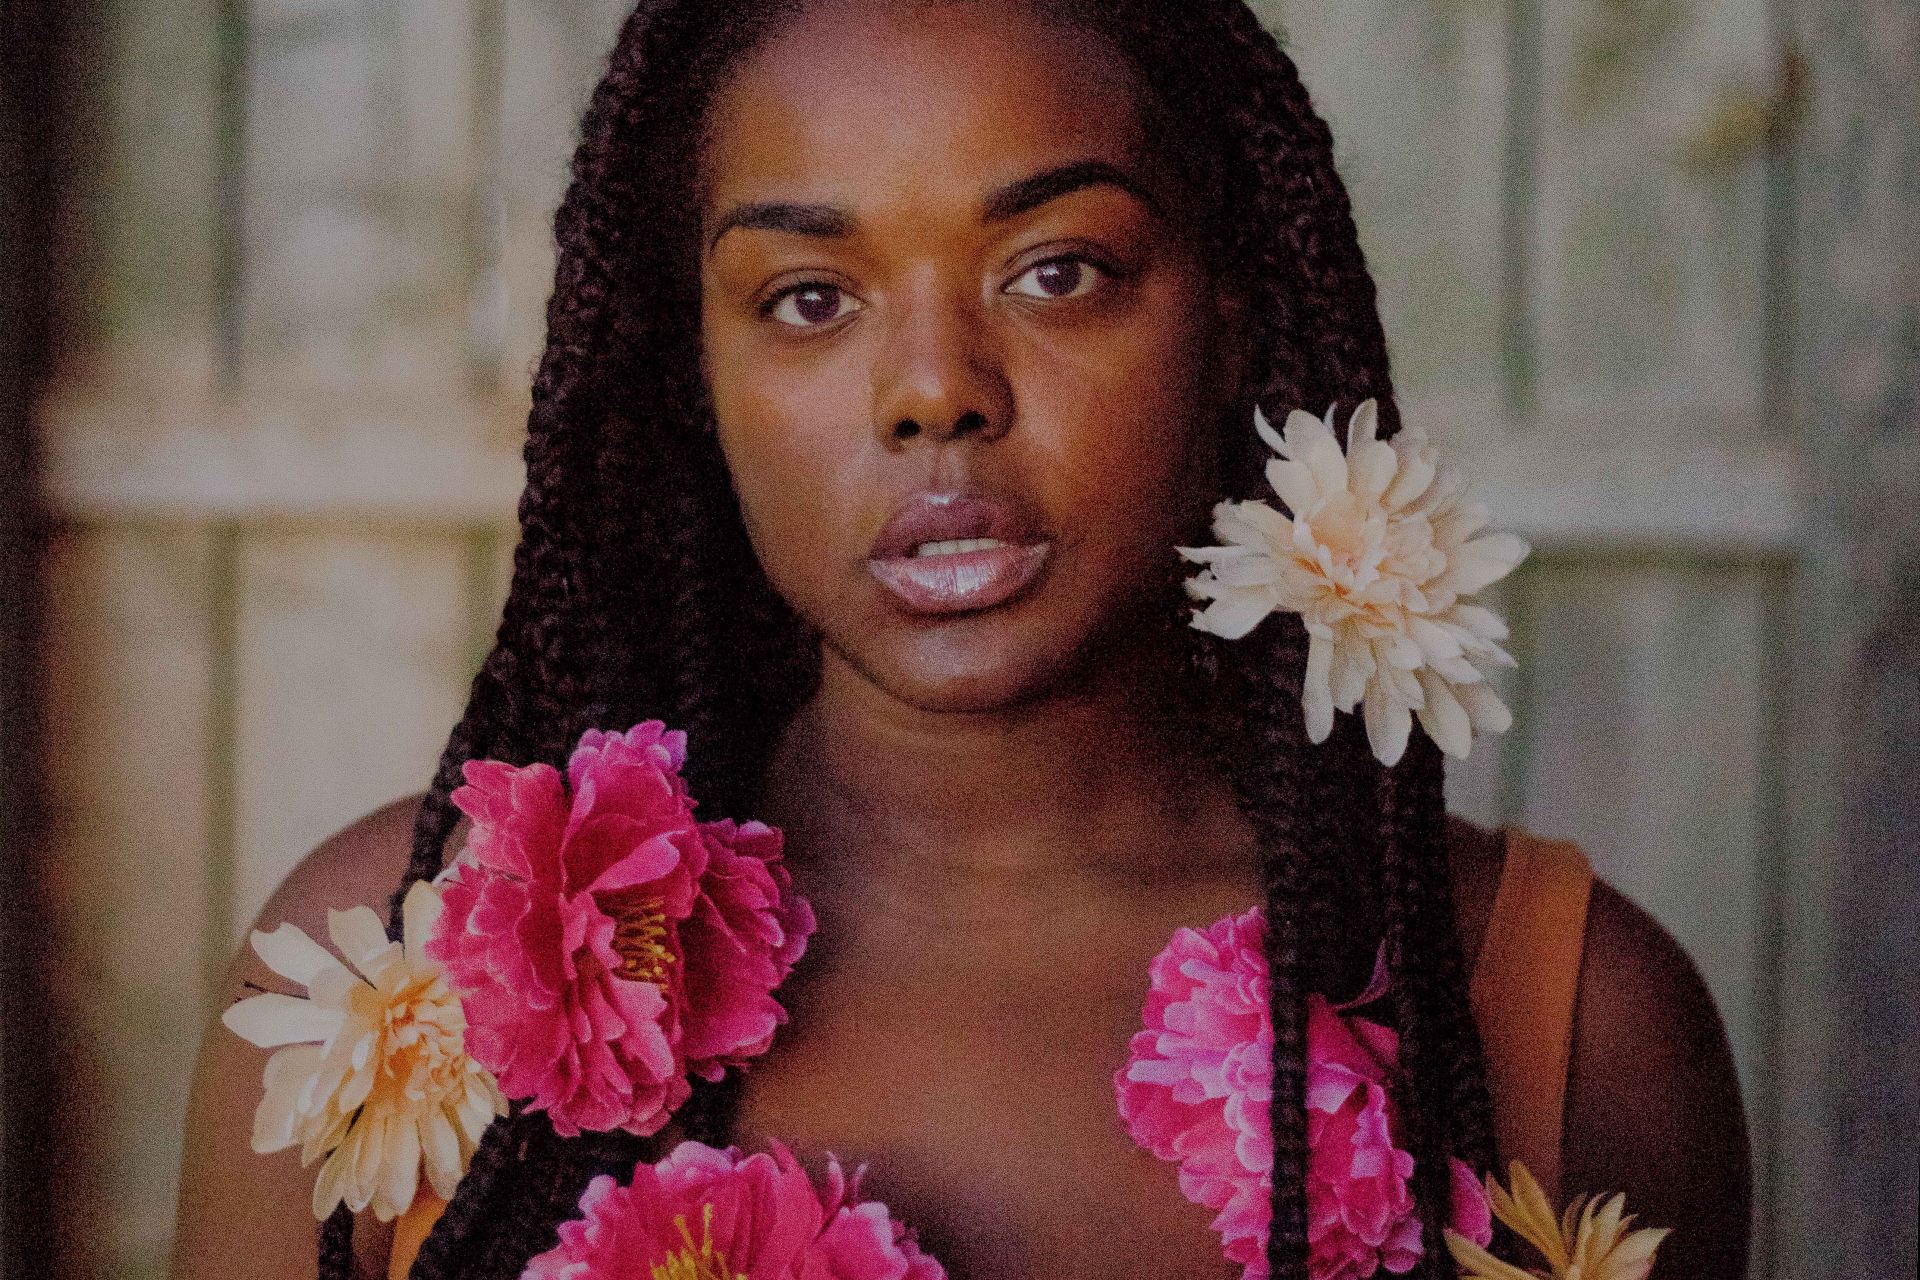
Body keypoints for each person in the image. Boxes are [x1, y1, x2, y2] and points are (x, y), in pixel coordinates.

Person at [172, 1, 1752, 1276]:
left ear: (1233, 325)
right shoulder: (395, 980)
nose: (935, 387)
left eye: (1056, 272)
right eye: (806, 297)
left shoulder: (1563, 1018)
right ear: (695, 374)